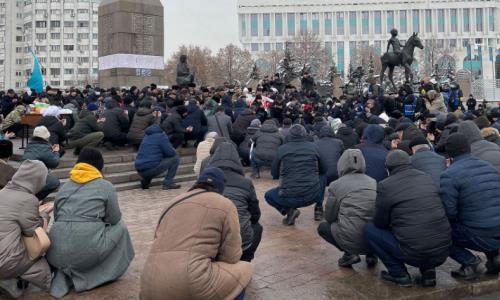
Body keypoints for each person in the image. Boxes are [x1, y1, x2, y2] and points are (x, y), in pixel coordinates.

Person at [140, 167, 253, 300]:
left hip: (148, 283)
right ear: (221, 187)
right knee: (245, 270)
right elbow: (231, 256)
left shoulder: (171, 203)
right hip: (191, 281)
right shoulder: (225, 204)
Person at [47, 148, 135, 298]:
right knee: (121, 226)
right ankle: (95, 275)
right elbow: (114, 219)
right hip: (85, 252)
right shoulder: (106, 186)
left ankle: (65, 273)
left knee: (73, 243)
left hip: (54, 254)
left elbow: (57, 217)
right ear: (99, 166)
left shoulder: (64, 186)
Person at [363, 150, 451, 287]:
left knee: (370, 229)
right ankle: (429, 272)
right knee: (421, 228)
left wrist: (394, 222)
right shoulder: (426, 178)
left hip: (414, 254)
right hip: (442, 252)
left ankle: (399, 274)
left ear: (388, 168)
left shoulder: (385, 185)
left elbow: (380, 222)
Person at [440, 133, 500, 280]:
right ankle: (494, 257)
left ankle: (470, 262)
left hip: (479, 234)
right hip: (498, 229)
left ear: (449, 153)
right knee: (483, 216)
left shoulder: (450, 174)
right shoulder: (489, 167)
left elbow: (449, 212)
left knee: (437, 234)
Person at [0, 160, 53, 298]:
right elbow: (34, 231)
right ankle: (11, 283)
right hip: (4, 262)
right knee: (42, 260)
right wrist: (44, 214)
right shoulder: (28, 199)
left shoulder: (3, 191)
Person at [318, 149, 378, 268]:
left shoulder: (336, 184)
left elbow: (329, 217)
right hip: (373, 239)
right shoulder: (373, 182)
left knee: (323, 227)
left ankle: (349, 253)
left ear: (341, 164)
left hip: (350, 238)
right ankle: (372, 254)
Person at [208, 143, 263, 262]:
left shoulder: (205, 181)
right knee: (257, 227)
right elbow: (255, 214)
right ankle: (245, 259)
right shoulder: (246, 182)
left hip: (210, 242)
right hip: (240, 240)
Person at [265, 124, 327, 225]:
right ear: (305, 135)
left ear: (289, 135)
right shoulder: (314, 147)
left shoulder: (282, 149)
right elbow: (324, 169)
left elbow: (274, 173)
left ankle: (289, 211)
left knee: (268, 195)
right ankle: (318, 209)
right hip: (312, 195)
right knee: (323, 176)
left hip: (288, 196)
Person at [135, 124, 181, 190]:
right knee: (175, 158)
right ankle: (168, 183)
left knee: (152, 160)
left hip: (140, 169)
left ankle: (145, 181)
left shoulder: (147, 136)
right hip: (150, 169)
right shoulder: (161, 136)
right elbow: (171, 153)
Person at [22, 126, 61, 200]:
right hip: (34, 177)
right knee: (54, 182)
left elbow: (40, 153)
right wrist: (56, 152)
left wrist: (49, 150)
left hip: (24, 174)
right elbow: (54, 163)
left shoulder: (30, 145)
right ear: (46, 137)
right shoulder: (44, 148)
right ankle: (35, 199)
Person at [315, 125, 344, 200]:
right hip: (336, 175)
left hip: (321, 176)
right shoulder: (339, 142)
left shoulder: (316, 143)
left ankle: (319, 203)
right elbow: (342, 157)